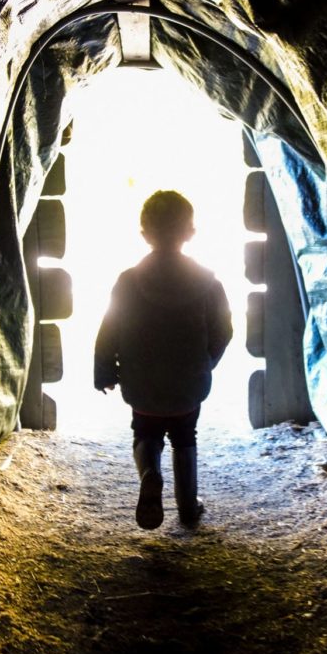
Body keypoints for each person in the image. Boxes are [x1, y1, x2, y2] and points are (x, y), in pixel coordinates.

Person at [94, 190, 233, 530]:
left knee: (146, 432)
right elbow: (224, 330)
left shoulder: (128, 281)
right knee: (186, 436)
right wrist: (205, 361)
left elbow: (109, 327)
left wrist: (104, 371)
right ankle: (188, 507)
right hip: (188, 382)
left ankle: (150, 474)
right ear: (191, 232)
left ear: (144, 234)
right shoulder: (208, 282)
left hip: (142, 383)